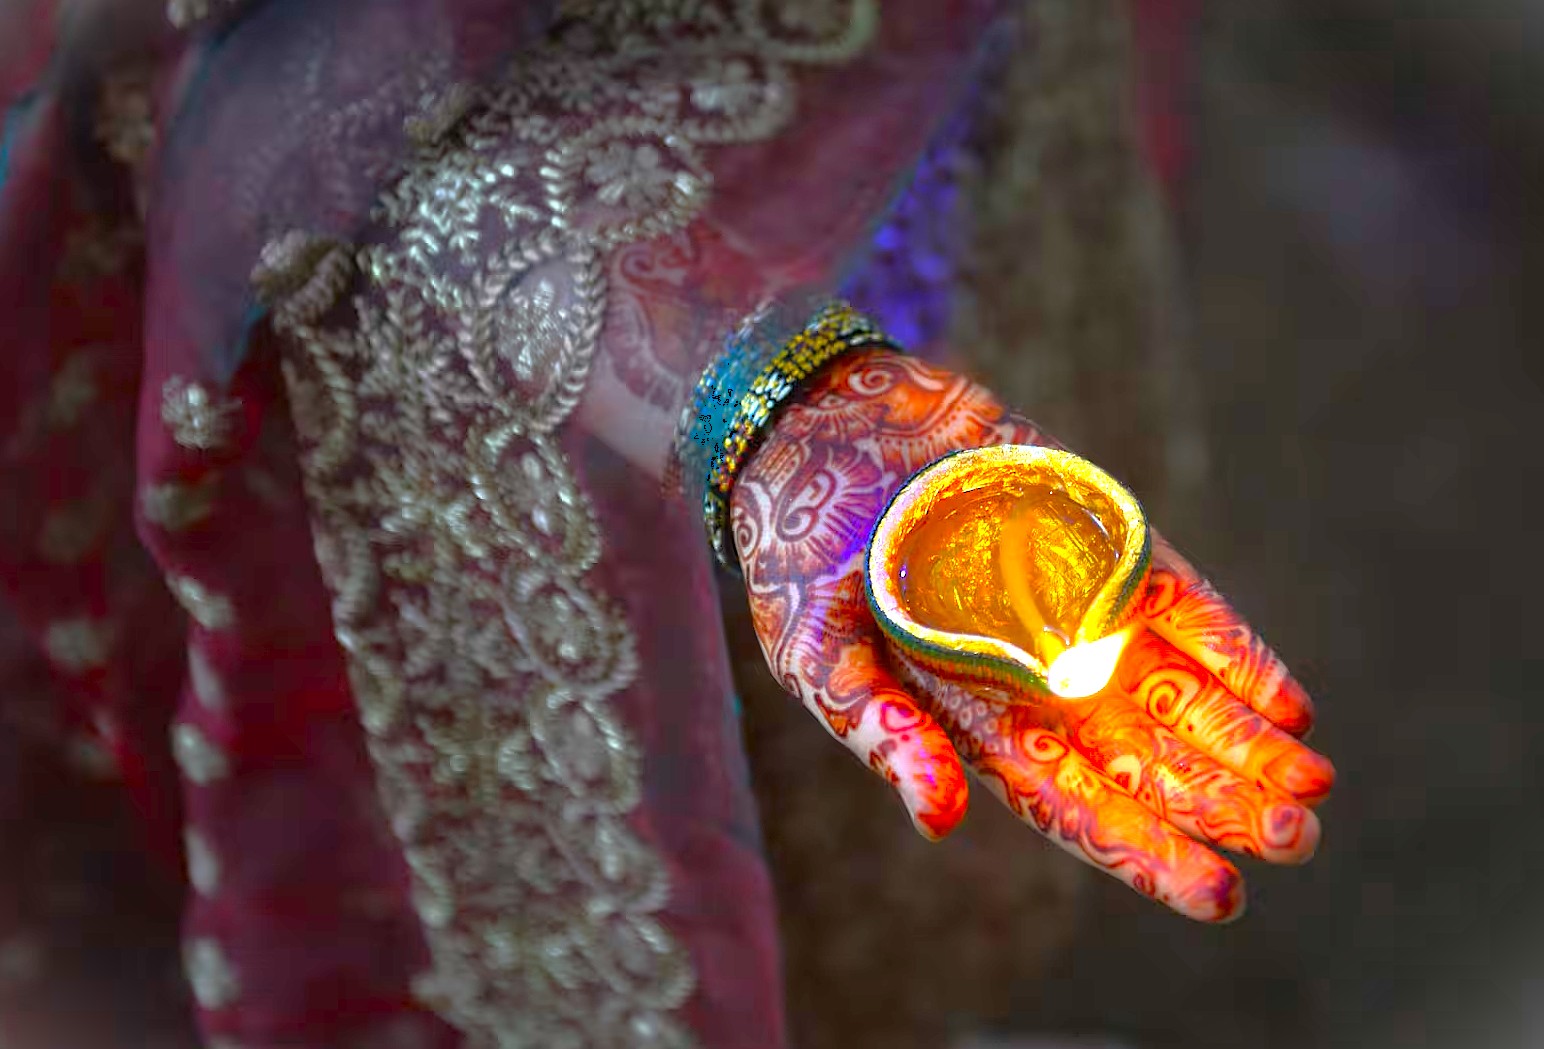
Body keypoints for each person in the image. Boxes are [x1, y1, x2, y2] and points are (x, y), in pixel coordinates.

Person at [0, 1, 1333, 1046]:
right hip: (580, 344)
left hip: (941, 102)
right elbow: (268, 117)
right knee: (742, 770)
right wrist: (769, 401)